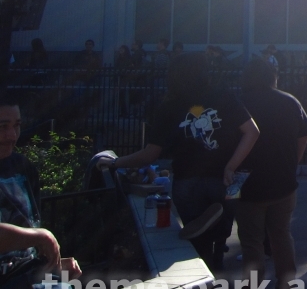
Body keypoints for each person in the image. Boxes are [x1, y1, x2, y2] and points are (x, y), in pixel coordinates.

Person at [99, 54, 260, 268]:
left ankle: (206, 288)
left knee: (198, 240)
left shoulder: (171, 106)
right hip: (227, 179)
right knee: (222, 234)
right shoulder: (224, 96)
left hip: (187, 179)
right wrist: (231, 165)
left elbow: (150, 154)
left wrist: (116, 162)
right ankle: (217, 269)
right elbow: (252, 131)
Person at [220, 59, 307, 289]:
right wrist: (292, 162)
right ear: (273, 77)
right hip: (284, 180)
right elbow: (303, 137)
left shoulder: (239, 102)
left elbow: (228, 141)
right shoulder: (290, 101)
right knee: (281, 235)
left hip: (247, 181)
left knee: (251, 242)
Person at [0, 94, 91, 289]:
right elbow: (35, 235)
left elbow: (30, 229)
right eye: (2, 127)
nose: (12, 136)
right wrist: (41, 237)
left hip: (32, 279)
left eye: (17, 126)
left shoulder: (22, 166)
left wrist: (53, 263)